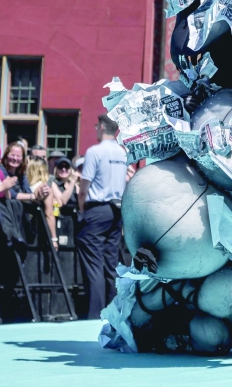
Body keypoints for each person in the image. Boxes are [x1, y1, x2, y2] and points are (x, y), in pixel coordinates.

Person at [77, 114, 128, 319]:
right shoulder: (123, 152)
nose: (95, 129)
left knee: (94, 263)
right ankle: (113, 312)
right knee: (111, 263)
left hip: (96, 209)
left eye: (97, 126)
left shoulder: (94, 151)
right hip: (116, 210)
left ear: (102, 127)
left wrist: (82, 209)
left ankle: (94, 314)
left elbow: (84, 187)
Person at [26, 157, 59, 248]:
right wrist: (54, 239)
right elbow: (49, 214)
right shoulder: (45, 188)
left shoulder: (25, 186)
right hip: (38, 232)